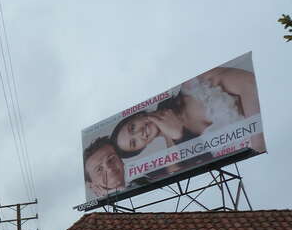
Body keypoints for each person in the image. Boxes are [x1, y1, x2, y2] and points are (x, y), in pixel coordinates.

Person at [112, 65, 264, 159]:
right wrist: (179, 137)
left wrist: (258, 144)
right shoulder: (178, 156)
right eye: (134, 142)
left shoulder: (189, 88)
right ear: (142, 148)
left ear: (138, 116)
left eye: (132, 127)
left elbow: (248, 82)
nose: (139, 133)